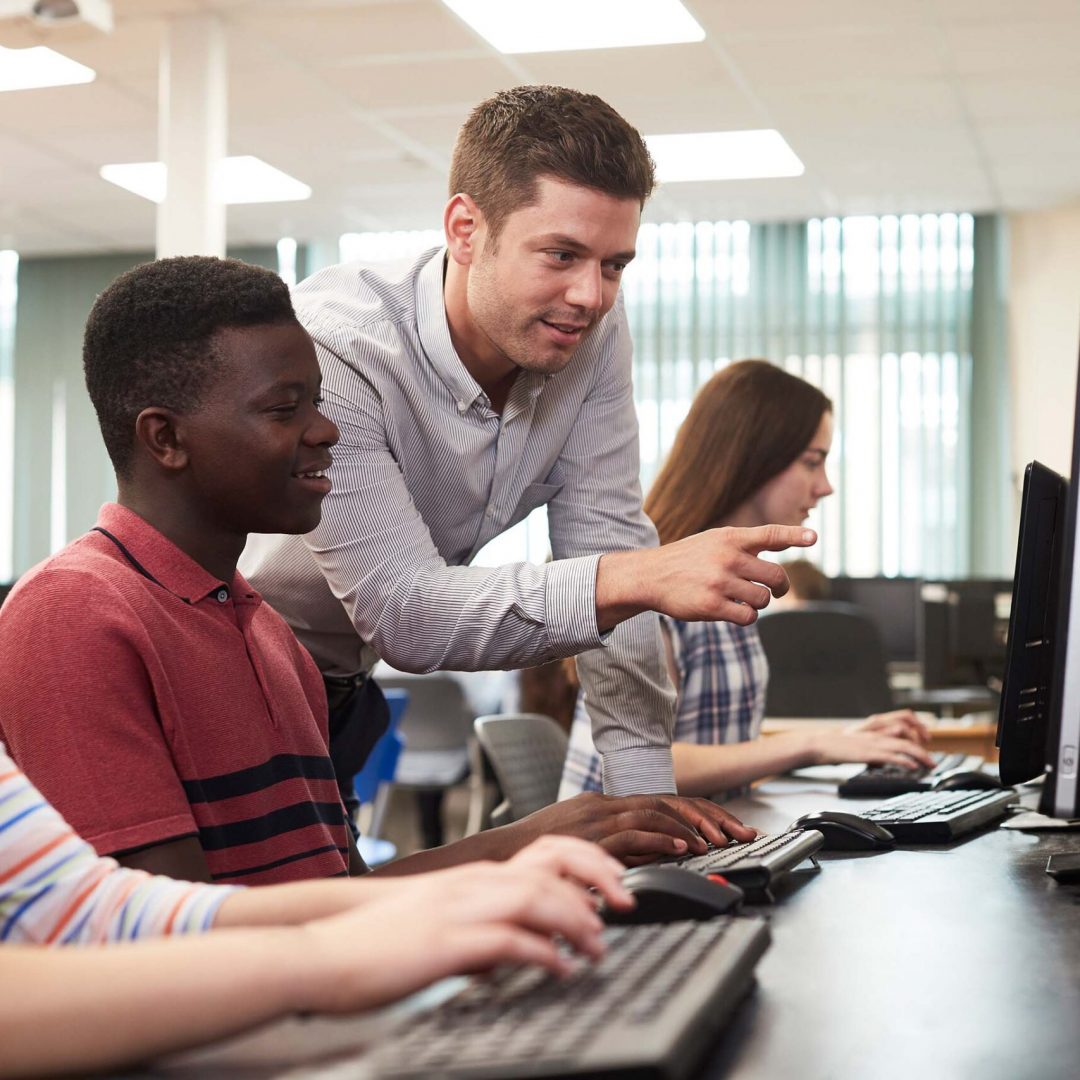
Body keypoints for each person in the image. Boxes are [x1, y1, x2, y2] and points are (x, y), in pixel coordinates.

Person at [0, 255, 755, 890]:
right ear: (166, 438)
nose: (327, 431)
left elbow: (341, 892)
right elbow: (169, 944)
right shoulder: (74, 615)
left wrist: (541, 839)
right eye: (285, 408)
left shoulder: (264, 630)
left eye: (320, 402)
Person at [240, 84, 814, 807]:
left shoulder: (588, 330)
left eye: (614, 264)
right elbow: (407, 615)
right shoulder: (338, 349)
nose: (592, 296)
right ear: (464, 230)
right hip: (231, 681)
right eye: (562, 254)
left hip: (342, 688)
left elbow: (605, 535)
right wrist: (633, 577)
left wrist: (653, 816)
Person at [0, 738, 632, 1076]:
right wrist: (325, 956)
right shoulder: (71, 604)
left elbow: (83, 911)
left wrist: (447, 893)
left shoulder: (263, 625)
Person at [561, 360, 936, 798]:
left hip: (698, 845)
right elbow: (641, 765)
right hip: (611, 856)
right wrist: (811, 745)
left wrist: (850, 738)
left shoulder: (732, 584)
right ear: (754, 460)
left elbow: (722, 753)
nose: (826, 486)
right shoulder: (654, 583)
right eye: (812, 462)